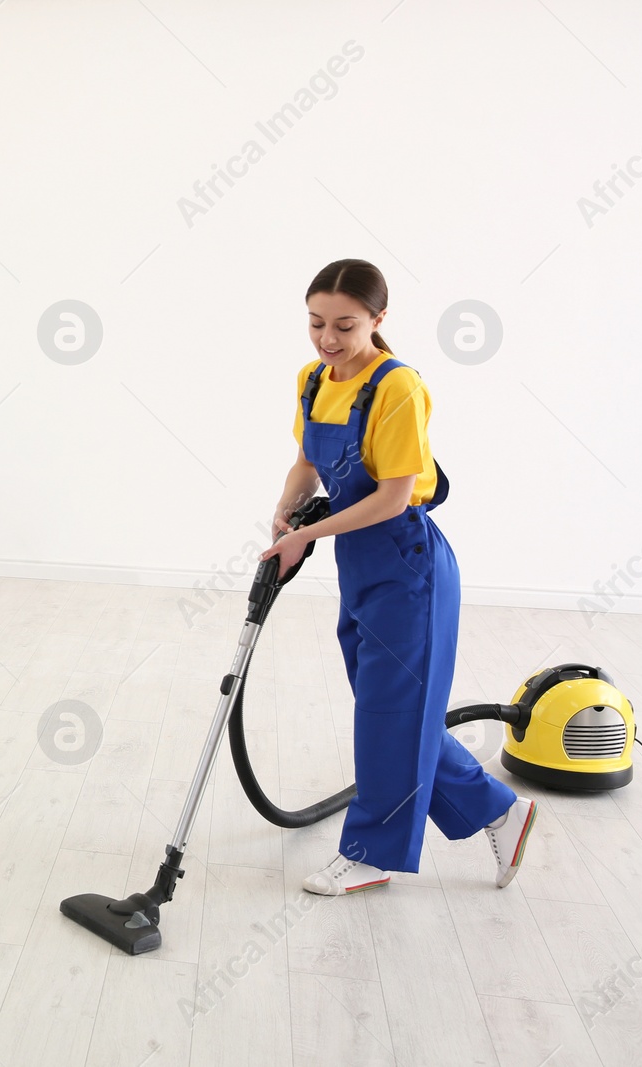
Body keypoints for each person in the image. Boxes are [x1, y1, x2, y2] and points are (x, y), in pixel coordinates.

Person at [259, 259, 536, 895]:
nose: (328, 338)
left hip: (409, 566)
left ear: (379, 320)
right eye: (316, 323)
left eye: (346, 325)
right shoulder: (312, 380)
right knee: (395, 711)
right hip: (357, 564)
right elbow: (307, 458)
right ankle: (500, 811)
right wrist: (285, 507)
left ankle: (372, 853)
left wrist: (307, 535)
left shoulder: (398, 387)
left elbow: (391, 497)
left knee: (390, 713)